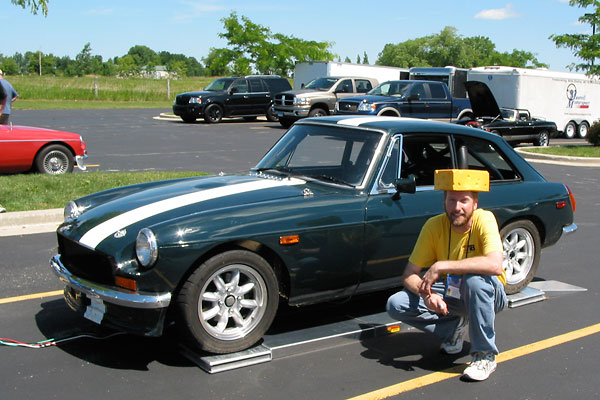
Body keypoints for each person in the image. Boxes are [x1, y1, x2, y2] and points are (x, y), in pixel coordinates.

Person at [386, 169, 507, 382]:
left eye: (464, 201)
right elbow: (408, 275)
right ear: (444, 202)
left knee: (474, 280)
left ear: (475, 204)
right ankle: (453, 329)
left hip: (488, 293)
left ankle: (485, 355)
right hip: (453, 293)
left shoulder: (485, 219)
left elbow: (495, 265)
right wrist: (427, 295)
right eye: (452, 200)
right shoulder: (433, 226)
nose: (457, 207)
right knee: (396, 303)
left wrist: (441, 266)